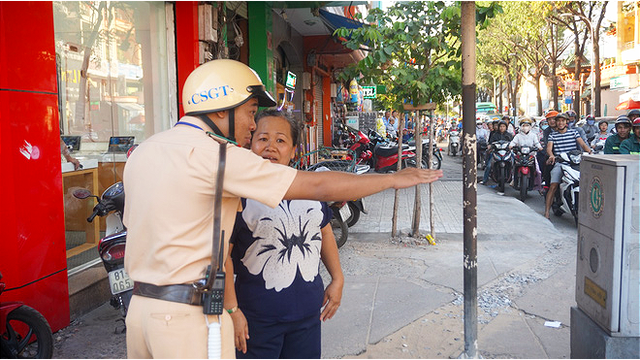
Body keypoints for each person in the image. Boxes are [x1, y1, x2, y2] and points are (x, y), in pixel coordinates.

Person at [122, 59, 443, 359]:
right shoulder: (218, 157)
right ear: (221, 110)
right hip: (186, 318)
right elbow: (317, 186)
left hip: (140, 312)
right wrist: (391, 180)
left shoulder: (143, 152)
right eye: (249, 112)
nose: (251, 125)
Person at [226, 110, 342, 359]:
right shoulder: (237, 196)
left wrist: (338, 278)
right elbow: (221, 258)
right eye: (263, 138)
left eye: (280, 140)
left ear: (294, 150)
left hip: (308, 316)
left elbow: (324, 231)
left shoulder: (309, 190)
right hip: (256, 320)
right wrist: (233, 310)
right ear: (250, 145)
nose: (270, 147)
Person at [543, 112, 592, 219]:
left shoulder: (574, 132)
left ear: (566, 122)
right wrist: (551, 156)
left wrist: (590, 152)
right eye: (558, 121)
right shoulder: (552, 135)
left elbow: (582, 144)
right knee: (553, 186)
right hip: (560, 163)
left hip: (575, 163)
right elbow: (549, 148)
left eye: (563, 121)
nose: (560, 123)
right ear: (556, 123)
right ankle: (546, 211)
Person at [482, 120, 513, 185]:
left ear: (506, 127)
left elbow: (513, 143)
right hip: (496, 152)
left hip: (507, 153)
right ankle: (485, 179)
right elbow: (490, 143)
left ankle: (514, 180)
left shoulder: (509, 135)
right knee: (489, 166)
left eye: (503, 126)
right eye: (501, 126)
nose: (502, 128)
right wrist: (490, 146)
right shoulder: (494, 135)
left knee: (514, 162)